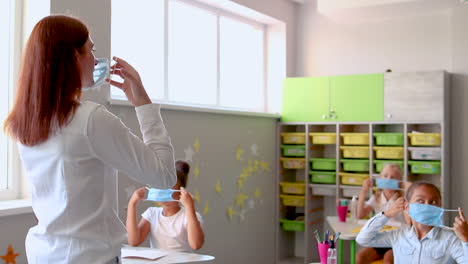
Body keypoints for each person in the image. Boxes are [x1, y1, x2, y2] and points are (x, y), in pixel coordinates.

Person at [3, 15, 177, 264]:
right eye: (91, 50)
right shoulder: (90, 119)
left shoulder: (25, 122)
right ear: (75, 57)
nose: (95, 60)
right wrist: (143, 104)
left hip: (43, 254)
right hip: (90, 257)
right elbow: (164, 177)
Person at [356, 181, 468, 263]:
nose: (427, 205)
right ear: (407, 206)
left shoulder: (449, 239)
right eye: (420, 201)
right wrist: (387, 214)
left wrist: (466, 239)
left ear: (440, 207)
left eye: (433, 202)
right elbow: (363, 239)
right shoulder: (398, 236)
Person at [126, 160, 205, 252]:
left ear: (180, 191)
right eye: (160, 186)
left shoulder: (189, 216)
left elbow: (196, 244)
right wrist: (132, 204)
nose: (163, 190)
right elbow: (134, 241)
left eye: (169, 187)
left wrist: (189, 206)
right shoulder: (152, 214)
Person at [356, 164, 409, 264]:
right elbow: (360, 215)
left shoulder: (402, 198)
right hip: (380, 239)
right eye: (385, 176)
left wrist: (407, 197)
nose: (388, 180)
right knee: (360, 257)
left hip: (396, 240)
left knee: (388, 259)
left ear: (399, 182)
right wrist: (363, 191)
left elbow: (409, 223)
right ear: (380, 179)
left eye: (393, 178)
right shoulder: (377, 197)